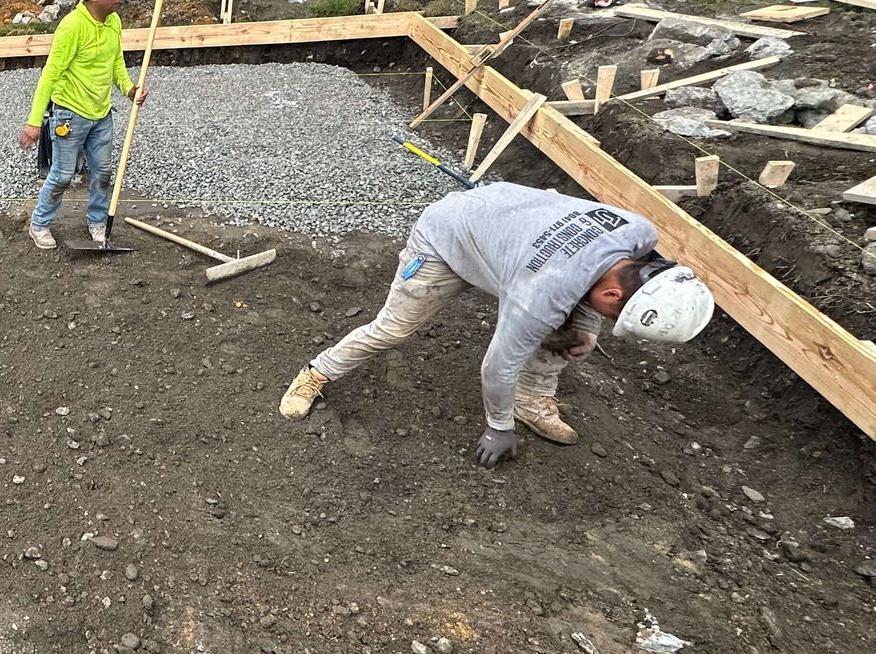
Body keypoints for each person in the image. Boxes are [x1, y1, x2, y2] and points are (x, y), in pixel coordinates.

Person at [279, 183, 715, 466]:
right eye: (612, 314)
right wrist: (497, 427)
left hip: (509, 233)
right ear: (615, 295)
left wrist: (583, 330)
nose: (607, 321)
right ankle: (316, 372)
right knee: (393, 329)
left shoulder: (639, 233)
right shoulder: (539, 296)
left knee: (572, 332)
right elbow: (497, 368)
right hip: (447, 237)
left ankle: (534, 399)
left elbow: (590, 287)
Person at [16, 0, 149, 249]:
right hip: (70, 115)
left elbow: (115, 62)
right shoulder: (72, 26)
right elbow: (50, 75)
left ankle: (97, 222)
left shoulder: (113, 22)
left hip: (102, 113)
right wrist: (33, 122)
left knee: (102, 172)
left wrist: (128, 89)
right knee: (62, 175)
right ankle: (39, 224)